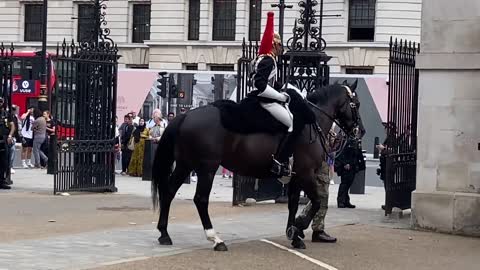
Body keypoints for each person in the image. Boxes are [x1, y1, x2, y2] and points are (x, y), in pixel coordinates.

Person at [301, 161, 337, 242]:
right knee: (321, 196)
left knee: (319, 197)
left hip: (319, 160)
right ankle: (317, 230)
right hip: (320, 160)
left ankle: (300, 222)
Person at [334, 138, 365, 208]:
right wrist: (345, 163)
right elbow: (341, 152)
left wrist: (361, 165)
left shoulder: (356, 141)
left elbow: (358, 152)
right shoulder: (345, 140)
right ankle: (341, 201)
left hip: (353, 165)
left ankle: (345, 200)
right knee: (345, 183)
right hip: (346, 166)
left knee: (348, 183)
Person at [0, 97, 15, 189]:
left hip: (4, 139)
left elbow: (12, 126)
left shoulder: (6, 114)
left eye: (0, 102)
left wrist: (10, 135)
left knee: (3, 161)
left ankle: (2, 181)